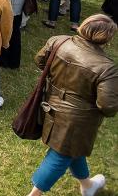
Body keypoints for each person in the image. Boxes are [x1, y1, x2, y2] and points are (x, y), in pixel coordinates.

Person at [25, 14, 117, 196]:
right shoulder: (106, 68)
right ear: (107, 38)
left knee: (71, 148)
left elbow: (40, 61)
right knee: (60, 155)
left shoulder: (58, 41)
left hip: (50, 106)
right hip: (79, 121)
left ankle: (88, 185)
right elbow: (108, 106)